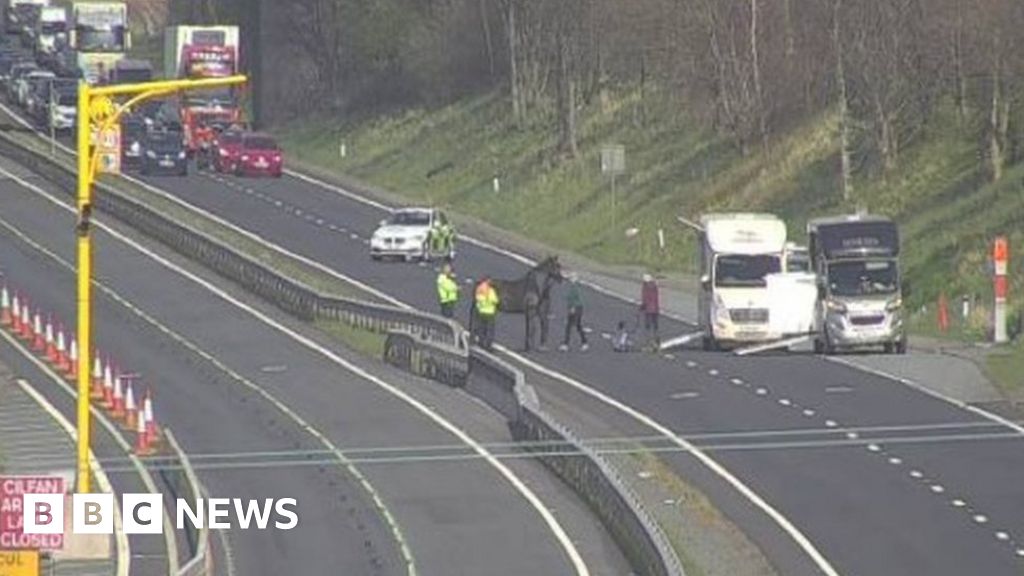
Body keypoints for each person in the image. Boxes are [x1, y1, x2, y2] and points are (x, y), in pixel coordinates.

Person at [560, 273, 589, 351]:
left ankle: (567, 344)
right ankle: (584, 342)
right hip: (577, 308)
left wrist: (572, 308)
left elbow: (574, 298)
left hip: (576, 308)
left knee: (571, 326)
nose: (570, 279)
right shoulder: (574, 287)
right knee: (576, 326)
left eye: (572, 278)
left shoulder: (574, 288)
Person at [474, 275, 500, 350]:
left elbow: (477, 298)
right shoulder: (490, 290)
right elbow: (495, 300)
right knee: (489, 330)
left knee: (481, 328)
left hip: (481, 311)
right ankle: (488, 345)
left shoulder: (479, 288)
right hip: (489, 312)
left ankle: (481, 342)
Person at [641, 273, 660, 347]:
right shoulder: (654, 287)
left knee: (648, 326)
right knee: (655, 326)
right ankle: (656, 341)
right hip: (655, 309)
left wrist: (643, 306)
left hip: (649, 309)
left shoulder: (646, 287)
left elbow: (645, 298)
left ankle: (649, 343)